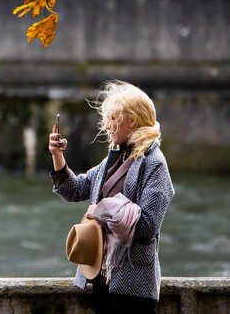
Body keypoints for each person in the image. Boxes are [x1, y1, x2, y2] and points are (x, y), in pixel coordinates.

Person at [48, 80, 174, 314]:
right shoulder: (114, 158)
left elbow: (147, 224)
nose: (106, 126)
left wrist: (101, 211)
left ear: (132, 120)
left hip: (134, 284)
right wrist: (57, 156)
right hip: (102, 277)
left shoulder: (155, 164)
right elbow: (75, 190)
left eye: (113, 119)